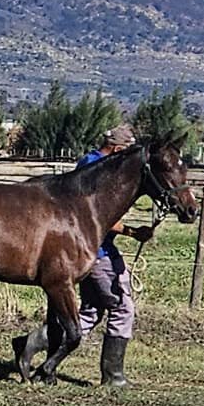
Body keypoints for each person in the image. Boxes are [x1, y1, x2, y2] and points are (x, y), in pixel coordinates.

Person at [75, 122, 153, 387]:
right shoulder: (96, 168)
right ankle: (113, 375)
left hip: (93, 249)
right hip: (98, 251)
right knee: (122, 308)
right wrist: (132, 231)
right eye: (124, 151)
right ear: (116, 148)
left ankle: (31, 345)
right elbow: (96, 216)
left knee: (90, 312)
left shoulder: (87, 162)